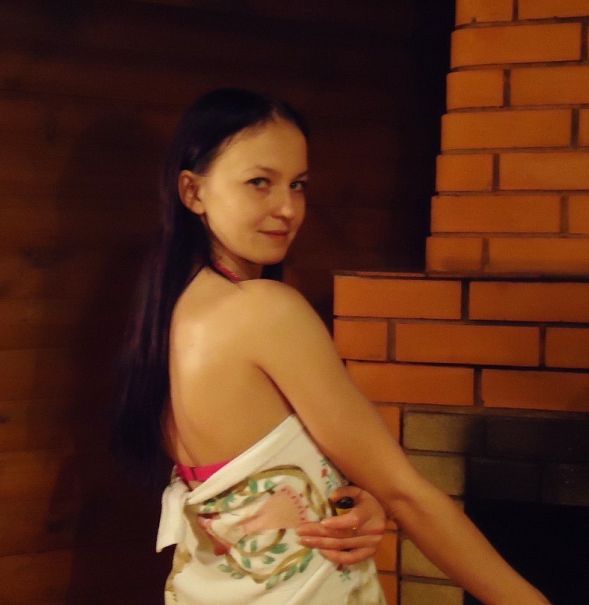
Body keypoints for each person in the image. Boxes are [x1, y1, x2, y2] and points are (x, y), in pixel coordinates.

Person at [113, 88, 549, 604]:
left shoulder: (170, 317)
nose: (287, 208)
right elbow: (407, 494)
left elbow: (254, 487)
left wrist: (348, 501)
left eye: (297, 185)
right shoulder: (264, 310)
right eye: (259, 182)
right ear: (193, 191)